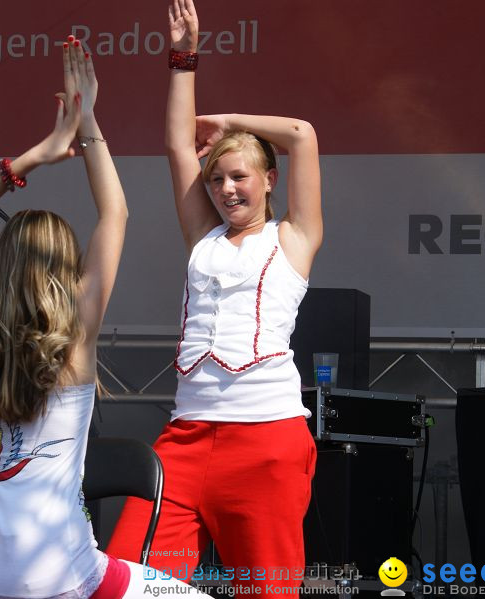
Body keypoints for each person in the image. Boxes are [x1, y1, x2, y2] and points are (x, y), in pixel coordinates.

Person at [0, 39, 208, 599]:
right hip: (64, 578)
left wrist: (40, 152)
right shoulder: (77, 340)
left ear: (0, 266)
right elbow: (116, 212)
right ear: (67, 271)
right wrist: (87, 123)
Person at [107, 0, 323, 595]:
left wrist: (226, 122)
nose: (226, 189)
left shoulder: (293, 240)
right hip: (186, 437)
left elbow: (302, 135)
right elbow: (180, 146)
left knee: (268, 590)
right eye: (218, 179)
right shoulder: (202, 237)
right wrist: (184, 58)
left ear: (268, 181)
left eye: (240, 177)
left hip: (266, 441)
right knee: (129, 578)